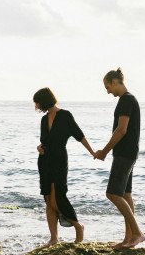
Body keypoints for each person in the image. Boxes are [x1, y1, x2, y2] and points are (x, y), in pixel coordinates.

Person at [34, 87, 95, 247]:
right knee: (48, 200)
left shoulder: (65, 116)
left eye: (38, 103)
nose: (37, 106)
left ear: (45, 100)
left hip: (59, 161)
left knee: (58, 199)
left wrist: (93, 152)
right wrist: (40, 147)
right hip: (44, 161)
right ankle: (53, 238)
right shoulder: (43, 120)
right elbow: (46, 142)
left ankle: (78, 227)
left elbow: (79, 135)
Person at [93, 68, 145, 249]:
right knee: (125, 194)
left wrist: (105, 151)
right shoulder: (130, 99)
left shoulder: (125, 101)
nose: (107, 91)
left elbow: (121, 129)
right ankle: (129, 239)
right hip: (129, 152)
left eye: (108, 87)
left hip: (124, 154)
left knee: (112, 194)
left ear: (115, 82)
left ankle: (138, 233)